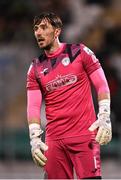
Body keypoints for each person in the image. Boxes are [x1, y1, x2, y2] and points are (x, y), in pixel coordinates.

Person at [26, 12, 112, 179]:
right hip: (54, 141)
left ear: (57, 31)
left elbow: (102, 84)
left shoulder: (80, 52)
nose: (38, 33)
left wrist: (104, 115)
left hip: (84, 136)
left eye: (43, 27)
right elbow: (33, 106)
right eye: (36, 29)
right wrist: (35, 138)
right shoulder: (35, 68)